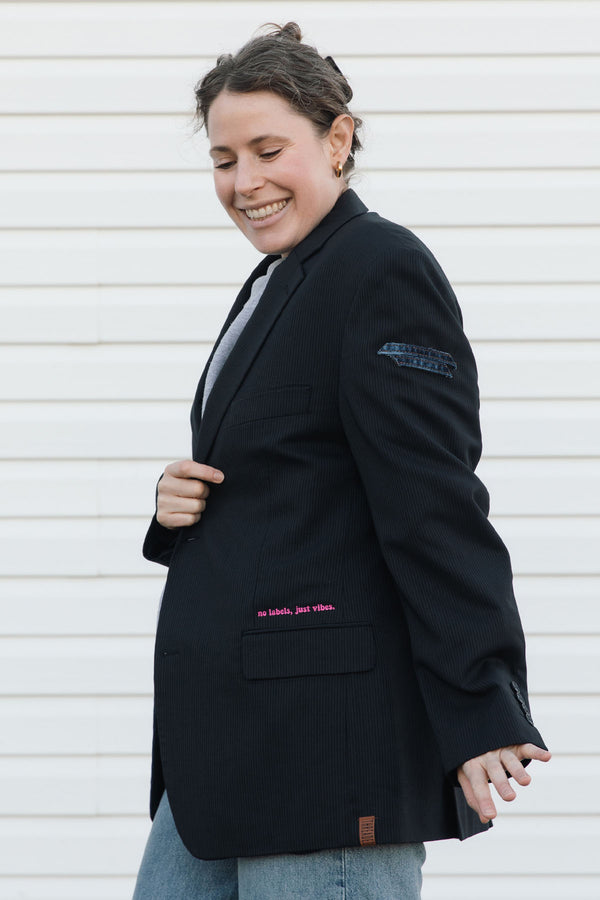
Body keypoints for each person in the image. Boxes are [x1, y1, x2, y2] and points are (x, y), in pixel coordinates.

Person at [133, 22, 550, 900]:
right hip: (224, 749)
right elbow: (304, 480)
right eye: (222, 158)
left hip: (325, 753)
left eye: (267, 149)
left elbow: (433, 501)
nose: (244, 182)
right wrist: (176, 506)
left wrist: (481, 704)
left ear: (338, 137)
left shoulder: (379, 268)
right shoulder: (277, 280)